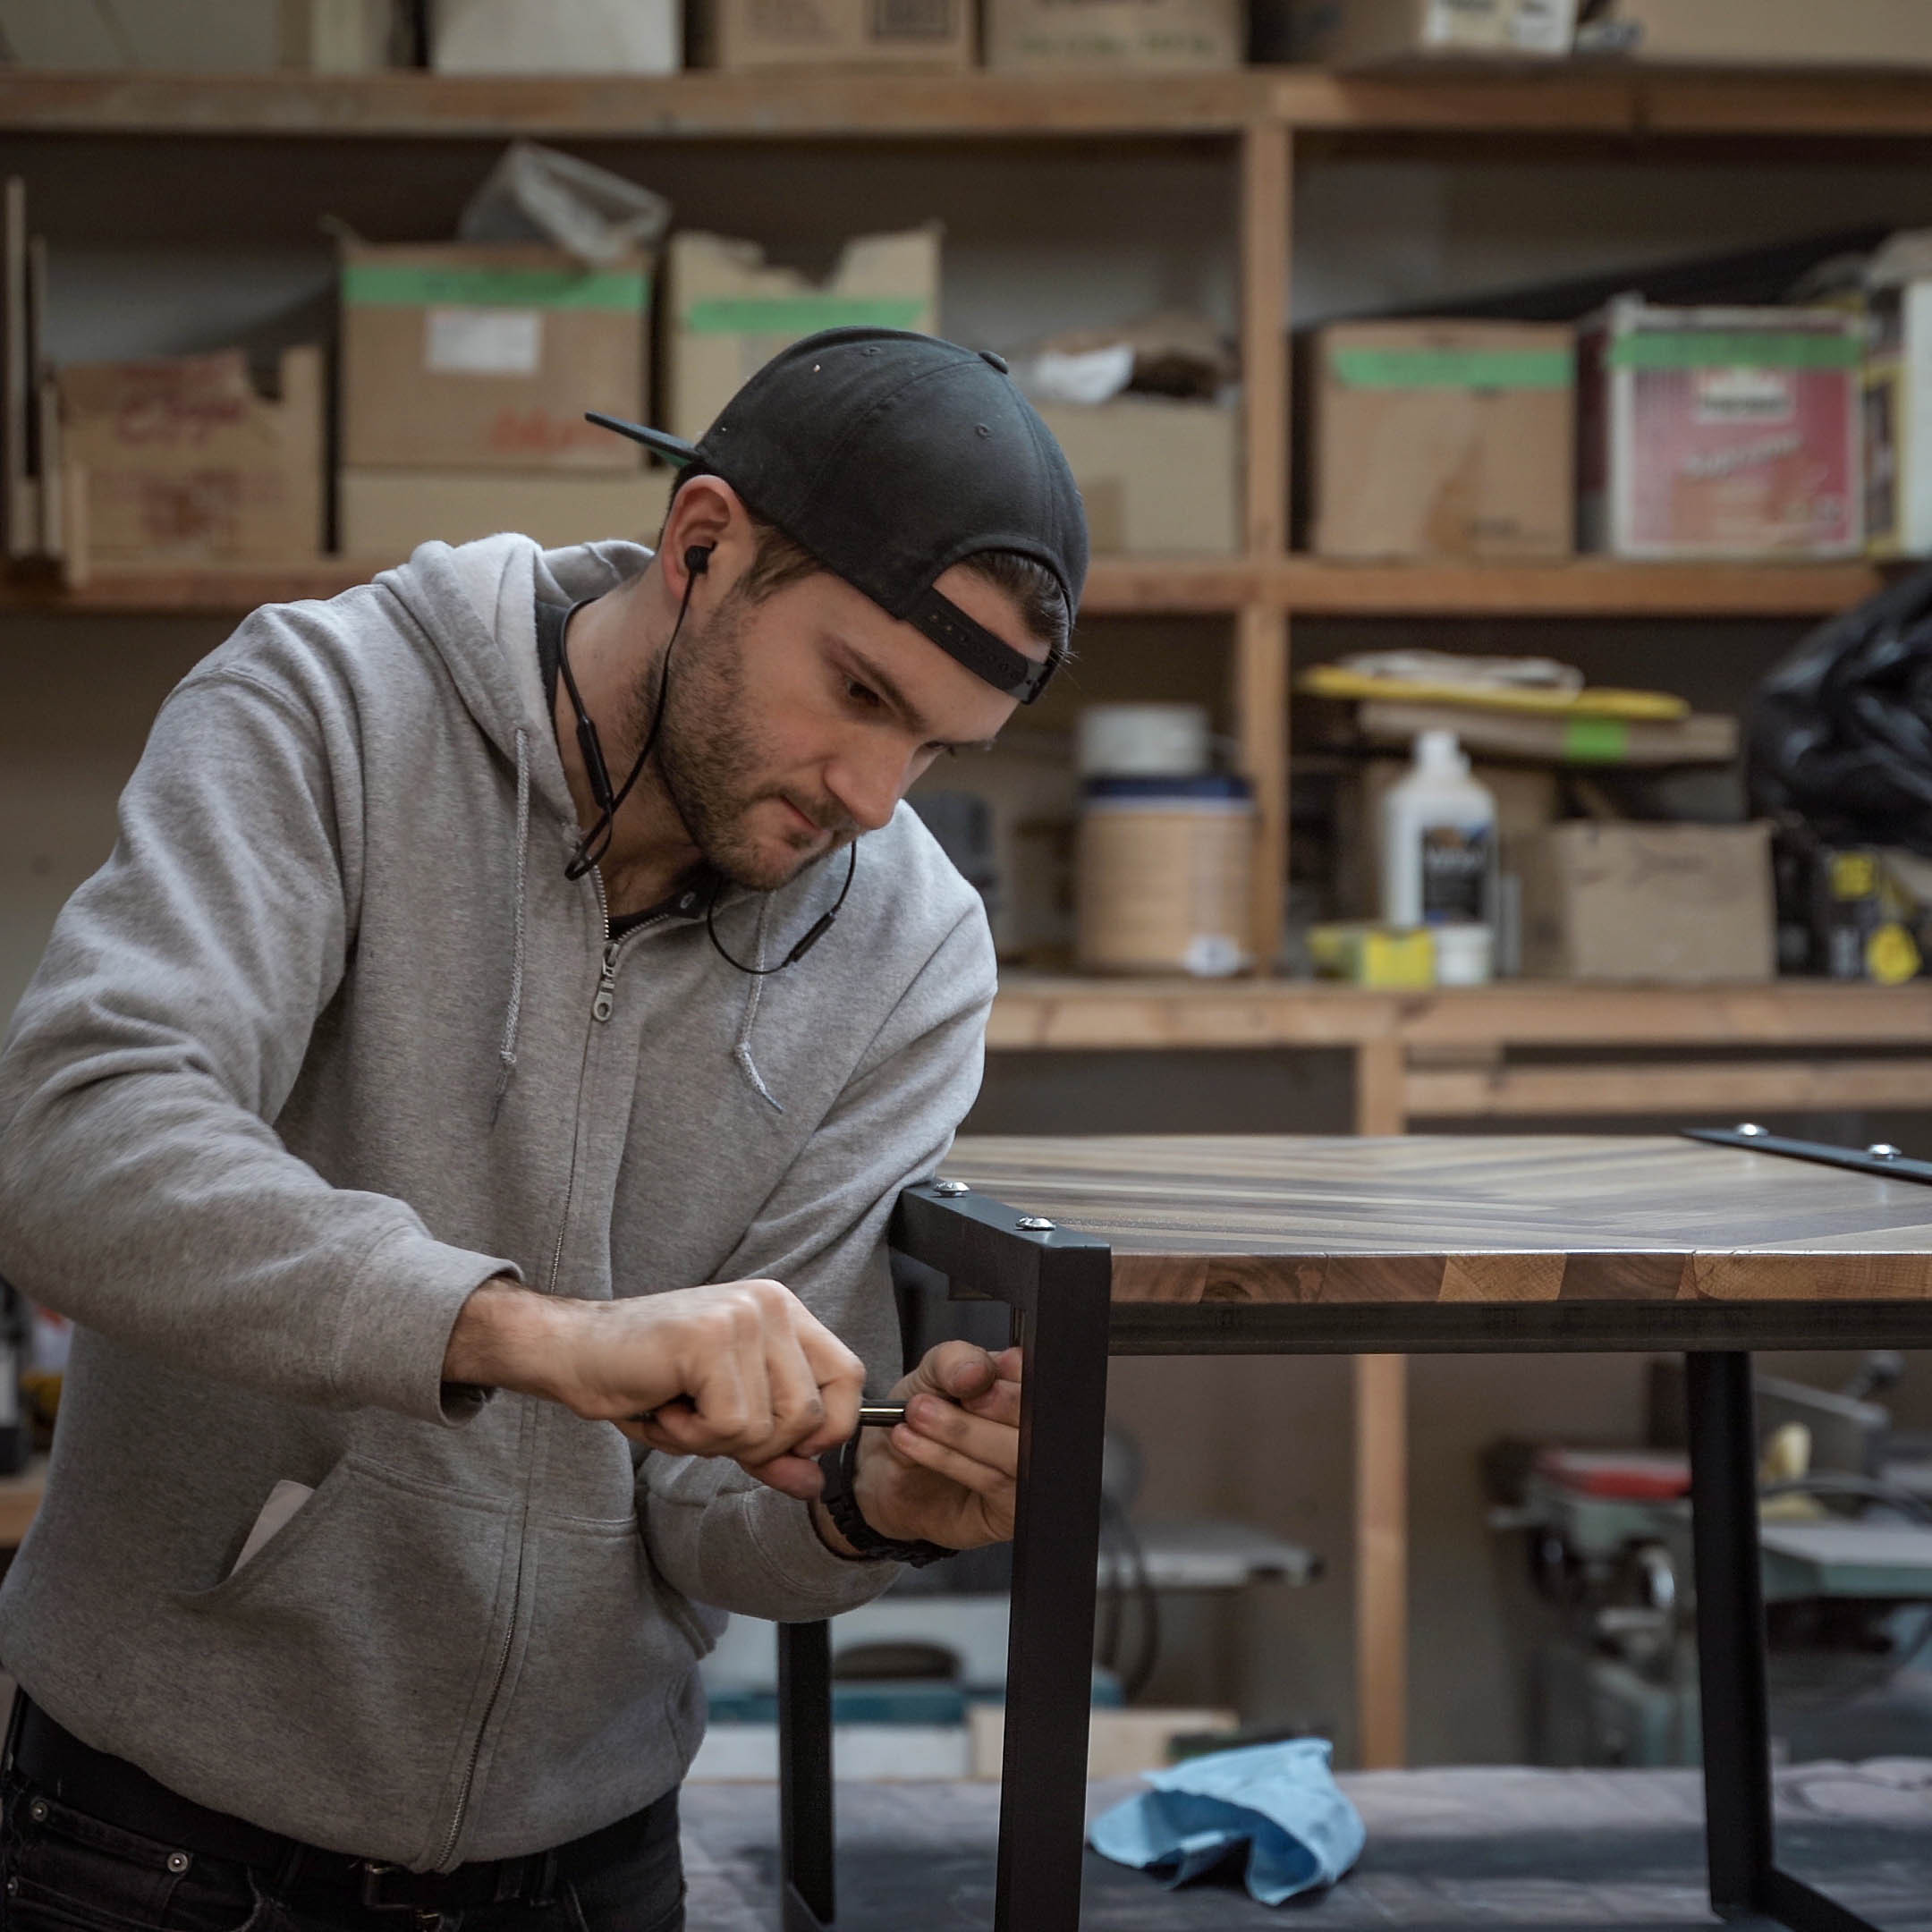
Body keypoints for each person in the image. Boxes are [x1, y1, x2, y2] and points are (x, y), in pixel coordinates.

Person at [0, 326, 1088, 1930]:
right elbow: (75, 1144)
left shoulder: (908, 948)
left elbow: (720, 1513)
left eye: (933, 747)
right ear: (703, 544)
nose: (874, 792)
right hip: (150, 1852)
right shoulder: (329, 709)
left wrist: (874, 1502)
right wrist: (527, 1335)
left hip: (589, 1874)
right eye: (858, 693)